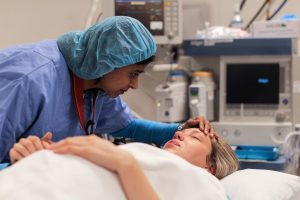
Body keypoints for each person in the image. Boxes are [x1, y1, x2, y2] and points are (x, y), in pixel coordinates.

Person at [0, 16, 212, 164]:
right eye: (134, 74)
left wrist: (179, 129)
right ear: (109, 62)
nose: (134, 85)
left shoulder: (96, 82)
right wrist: (19, 164)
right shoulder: (29, 79)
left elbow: (125, 126)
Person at [0, 127, 239, 200]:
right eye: (181, 132)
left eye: (195, 137)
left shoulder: (206, 183)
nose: (179, 135)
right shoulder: (141, 153)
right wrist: (35, 155)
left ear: (211, 167)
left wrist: (125, 165)